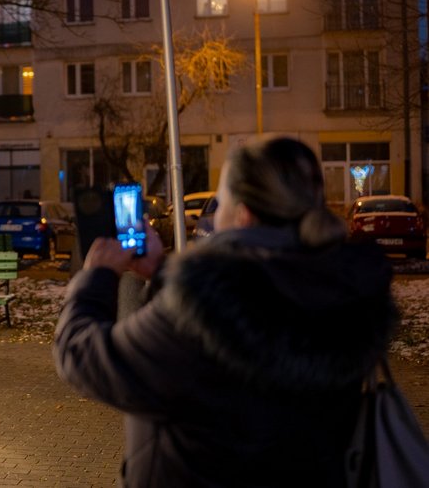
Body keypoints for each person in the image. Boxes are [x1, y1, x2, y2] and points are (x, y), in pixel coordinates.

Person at [54, 137, 398, 487]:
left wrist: (96, 275)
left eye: (220, 203)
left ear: (243, 213)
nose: (215, 215)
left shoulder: (202, 309)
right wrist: (162, 272)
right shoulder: (342, 292)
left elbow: (83, 356)